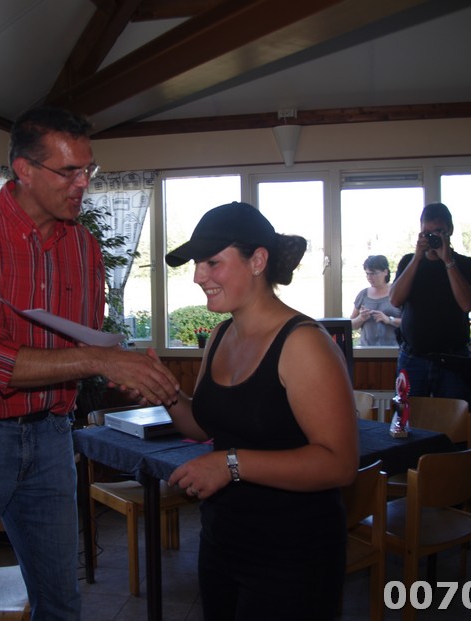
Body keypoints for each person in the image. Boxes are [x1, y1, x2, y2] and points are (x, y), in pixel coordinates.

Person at [0, 106, 179, 621]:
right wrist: (101, 359)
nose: (83, 184)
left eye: (88, 169)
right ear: (24, 170)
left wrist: (121, 369)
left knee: (61, 603)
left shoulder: (84, 247)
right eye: (68, 171)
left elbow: (81, 346)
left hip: (52, 435)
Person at [159, 201, 359, 620]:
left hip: (294, 553)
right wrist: (166, 393)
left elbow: (339, 464)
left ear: (258, 261)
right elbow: (204, 426)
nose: (198, 276)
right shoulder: (220, 335)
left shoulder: (304, 343)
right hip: (222, 540)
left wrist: (230, 464)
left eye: (212, 262)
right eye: (197, 264)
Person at [390, 202, 471, 403]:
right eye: (427, 233)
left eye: (439, 232)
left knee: (454, 419)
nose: (432, 237)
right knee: (409, 417)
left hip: (454, 360)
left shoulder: (467, 264)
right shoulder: (409, 262)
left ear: (450, 230)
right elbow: (395, 299)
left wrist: (447, 260)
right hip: (413, 358)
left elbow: (467, 304)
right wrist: (417, 258)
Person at [350, 254, 401, 346]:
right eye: (367, 274)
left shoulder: (398, 292)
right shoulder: (363, 294)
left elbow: (410, 323)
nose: (369, 277)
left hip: (394, 350)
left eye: (373, 273)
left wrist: (389, 320)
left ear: (385, 272)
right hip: (366, 350)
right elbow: (351, 325)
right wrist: (360, 318)